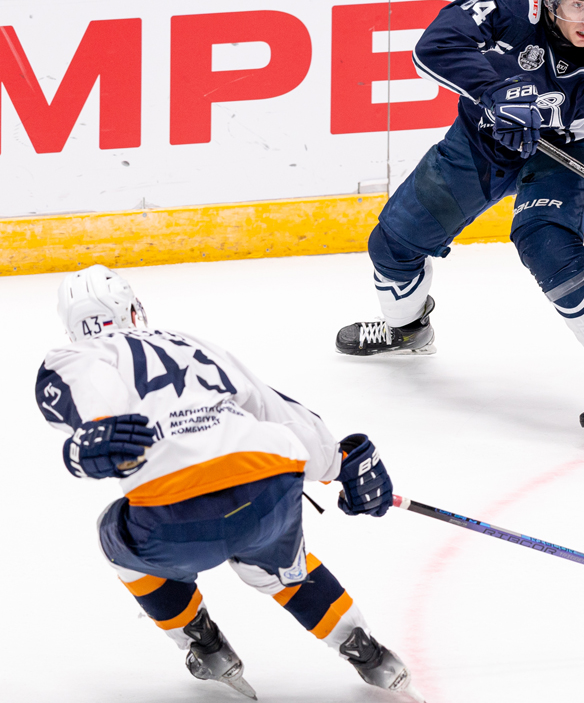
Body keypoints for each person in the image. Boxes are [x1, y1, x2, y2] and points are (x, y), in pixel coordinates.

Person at [336, 0, 584, 450]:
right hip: (482, 140)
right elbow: (435, 45)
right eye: (576, 3)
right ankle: (408, 329)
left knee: (548, 245)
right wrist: (496, 92)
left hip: (559, 154)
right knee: (392, 244)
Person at [37, 265, 422, 701]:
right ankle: (368, 653)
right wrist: (338, 461)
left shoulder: (73, 357)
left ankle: (204, 643)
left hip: (176, 517)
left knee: (115, 536)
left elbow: (92, 390)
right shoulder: (189, 343)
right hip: (269, 486)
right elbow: (273, 408)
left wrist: (88, 438)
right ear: (132, 309)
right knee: (274, 563)